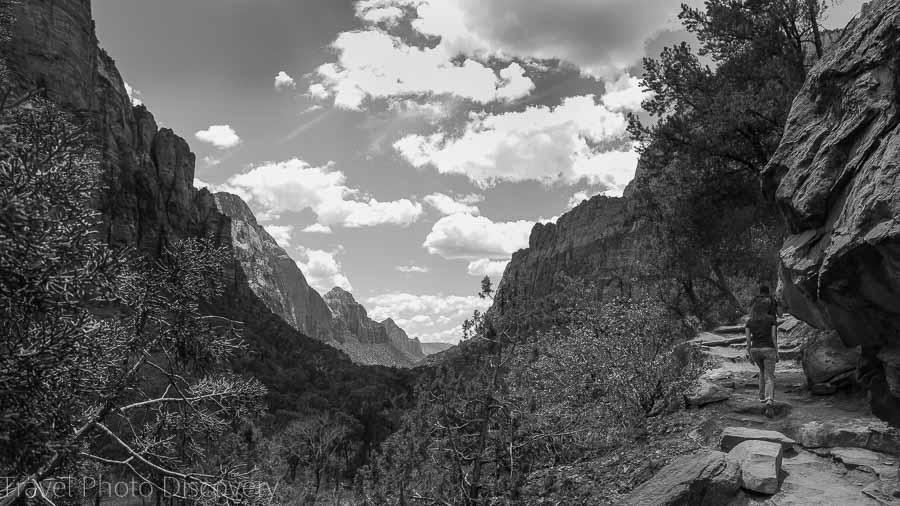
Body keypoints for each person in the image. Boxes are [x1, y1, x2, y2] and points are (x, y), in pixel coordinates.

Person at [745, 285, 779, 405]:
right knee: (769, 376)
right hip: (768, 346)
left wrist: (749, 353)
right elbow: (774, 337)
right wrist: (777, 352)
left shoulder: (749, 321)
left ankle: (761, 397)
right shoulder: (771, 316)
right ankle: (769, 399)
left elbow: (748, 340)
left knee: (762, 371)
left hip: (755, 350)